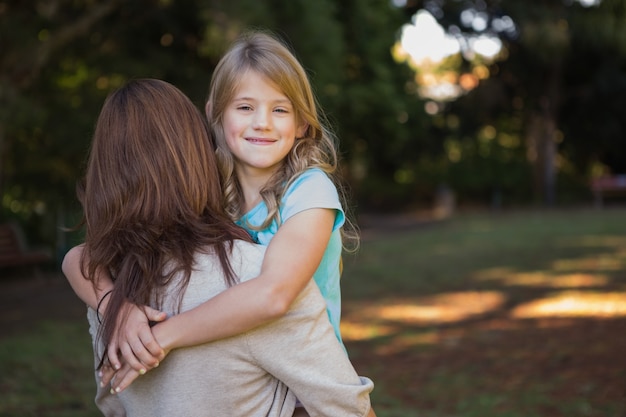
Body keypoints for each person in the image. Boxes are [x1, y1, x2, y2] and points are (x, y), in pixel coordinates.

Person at [64, 29, 361, 393]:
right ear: (215, 115)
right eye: (245, 107)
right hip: (241, 376)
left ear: (302, 124)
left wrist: (159, 337)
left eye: (280, 109)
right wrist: (119, 308)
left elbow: (274, 294)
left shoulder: (310, 191)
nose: (263, 122)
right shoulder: (212, 193)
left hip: (304, 384)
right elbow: (79, 258)